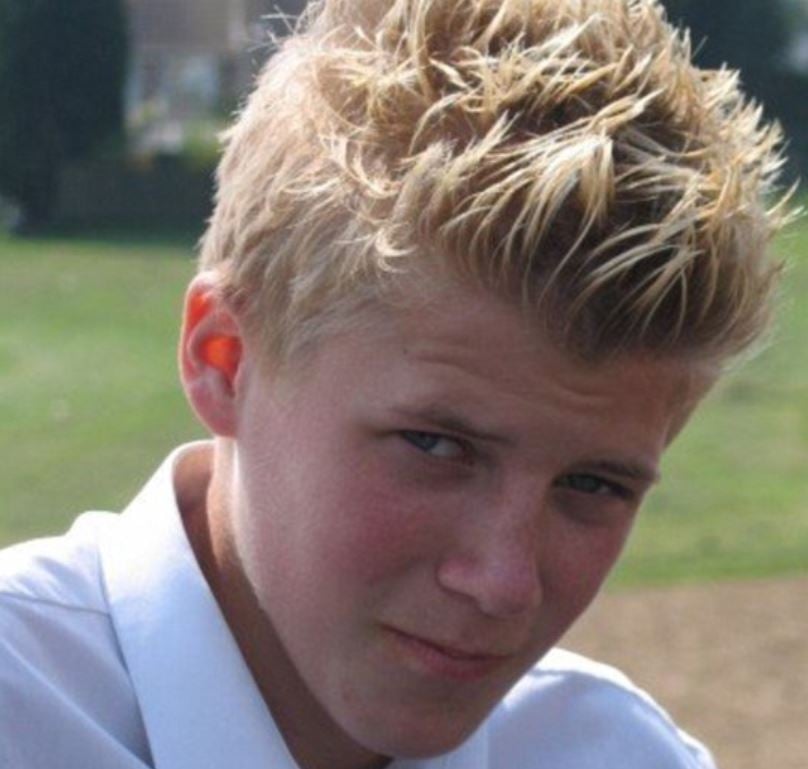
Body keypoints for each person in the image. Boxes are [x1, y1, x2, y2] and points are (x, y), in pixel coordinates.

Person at [0, 0, 792, 767]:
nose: (503, 584)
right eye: (435, 445)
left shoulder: (618, 753)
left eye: (594, 485)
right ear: (226, 359)